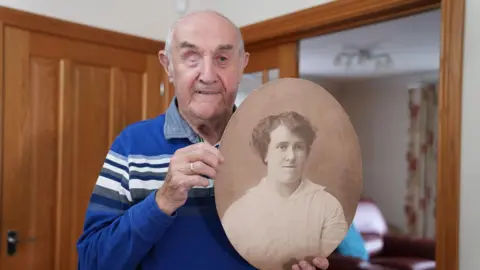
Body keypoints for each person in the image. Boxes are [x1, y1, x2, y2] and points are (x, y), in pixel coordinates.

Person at [76, 10, 330, 270]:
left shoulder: (279, 150)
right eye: (191, 57)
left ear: (242, 64)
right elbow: (91, 262)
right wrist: (162, 200)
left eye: (222, 58)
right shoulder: (131, 146)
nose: (208, 76)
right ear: (168, 66)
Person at [221, 111, 349, 269]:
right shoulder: (237, 213)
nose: (291, 156)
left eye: (299, 147)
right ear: (265, 153)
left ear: (307, 153)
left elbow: (336, 263)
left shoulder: (328, 206)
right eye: (282, 147)